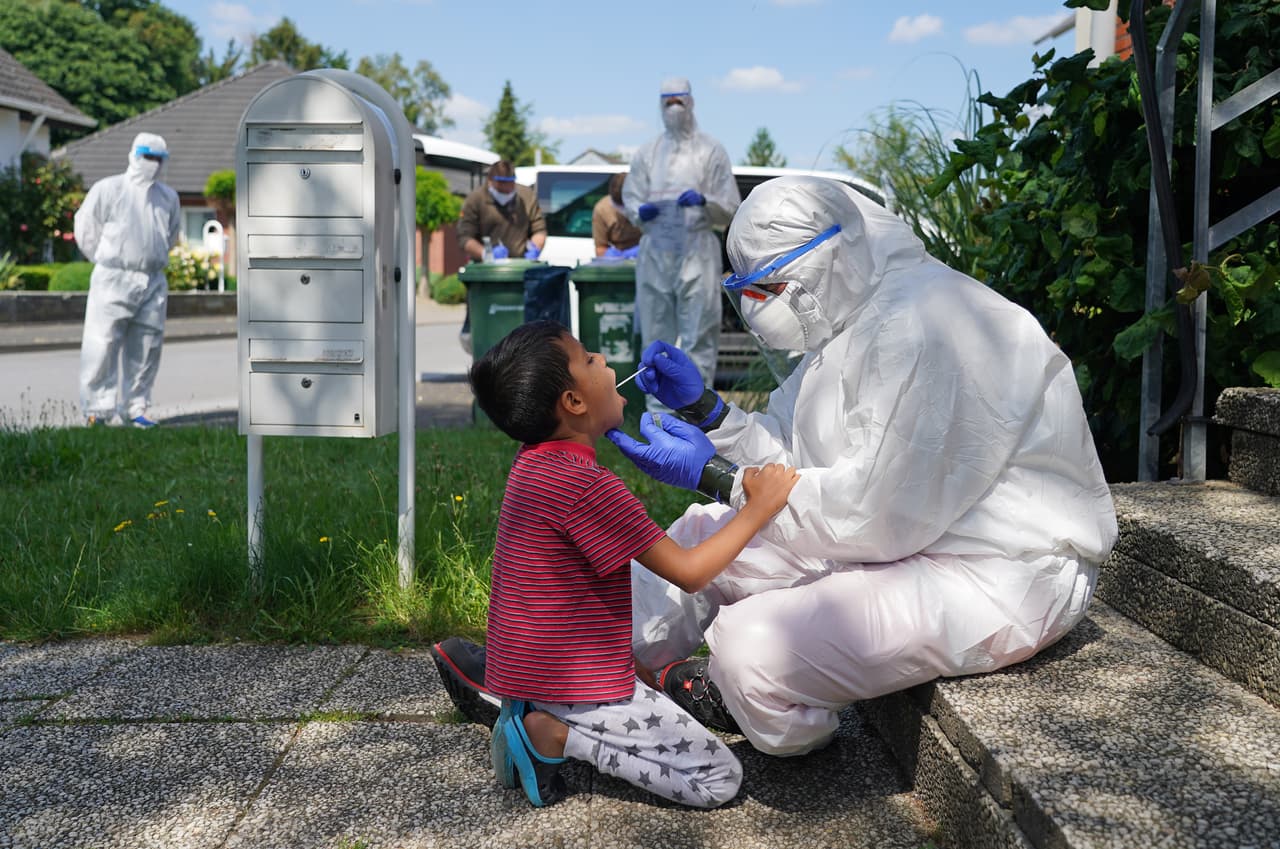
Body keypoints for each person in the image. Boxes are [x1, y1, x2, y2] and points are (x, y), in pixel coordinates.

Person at [434, 176, 1119, 760]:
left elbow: (872, 517)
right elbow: (793, 452)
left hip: (997, 570)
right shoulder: (849, 319)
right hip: (905, 538)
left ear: (827, 262)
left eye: (768, 288)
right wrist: (712, 415)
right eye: (748, 289)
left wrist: (721, 477)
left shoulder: (927, 329)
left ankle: (783, 727)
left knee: (752, 647)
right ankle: (574, 678)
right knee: (703, 531)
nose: (757, 307)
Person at [459, 319, 799, 808]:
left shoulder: (532, 464)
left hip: (535, 668)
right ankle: (551, 734)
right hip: (579, 686)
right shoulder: (589, 486)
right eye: (591, 361)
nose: (609, 363)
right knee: (719, 780)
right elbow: (691, 572)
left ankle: (529, 706)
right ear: (573, 403)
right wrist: (758, 506)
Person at [622, 77, 739, 404]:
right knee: (655, 335)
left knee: (699, 333)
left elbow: (731, 206)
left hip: (697, 249)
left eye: (679, 102)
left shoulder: (711, 150)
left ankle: (697, 413)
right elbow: (631, 196)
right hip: (656, 251)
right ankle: (659, 415)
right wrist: (638, 211)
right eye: (667, 102)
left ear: (691, 103)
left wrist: (705, 201)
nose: (674, 109)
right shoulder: (647, 153)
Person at [74, 131, 181, 428]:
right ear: (134, 155)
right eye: (148, 157)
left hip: (152, 279)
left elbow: (170, 236)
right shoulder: (108, 189)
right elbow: (86, 229)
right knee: (102, 343)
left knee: (147, 345)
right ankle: (97, 410)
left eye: (159, 159)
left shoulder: (168, 197)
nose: (154, 164)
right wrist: (108, 259)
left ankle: (136, 407)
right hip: (113, 278)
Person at [455, 160, 547, 353]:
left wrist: (535, 248)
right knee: (480, 330)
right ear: (491, 182)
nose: (507, 189)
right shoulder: (476, 200)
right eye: (502, 184)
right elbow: (465, 237)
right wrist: (485, 253)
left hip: (520, 272)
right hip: (487, 275)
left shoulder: (526, 196)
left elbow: (539, 229)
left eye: (510, 183)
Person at [591, 172, 641, 258]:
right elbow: (600, 248)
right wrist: (615, 258)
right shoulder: (602, 209)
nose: (624, 210)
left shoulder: (649, 204)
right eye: (620, 206)